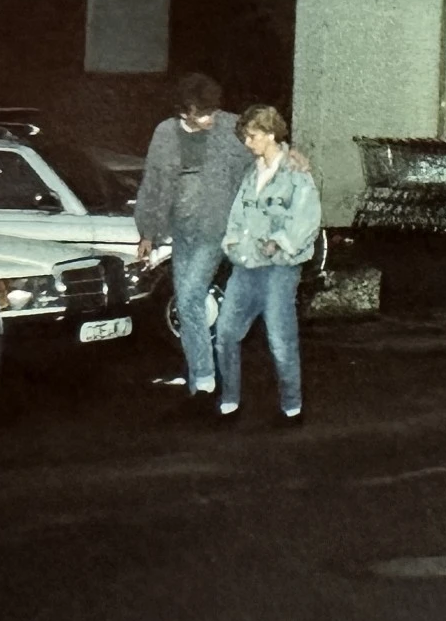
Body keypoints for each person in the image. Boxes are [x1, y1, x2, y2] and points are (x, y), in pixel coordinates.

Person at [134, 73, 305, 406]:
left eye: (212, 110)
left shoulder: (229, 128)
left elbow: (262, 144)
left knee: (189, 296)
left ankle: (204, 376)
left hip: (218, 228)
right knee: (188, 303)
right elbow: (153, 184)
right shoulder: (165, 134)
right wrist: (148, 233)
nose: (209, 119)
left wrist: (289, 154)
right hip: (182, 229)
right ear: (183, 112)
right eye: (201, 114)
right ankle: (201, 372)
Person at [213, 104, 320, 425]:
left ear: (271, 134)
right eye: (245, 136)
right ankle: (229, 398)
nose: (247, 142)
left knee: (280, 338)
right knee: (225, 333)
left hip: (279, 269)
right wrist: (231, 243)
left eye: (253, 136)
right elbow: (237, 214)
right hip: (246, 265)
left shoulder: (296, 174)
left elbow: (308, 219)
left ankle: (291, 405)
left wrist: (280, 242)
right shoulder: (251, 172)